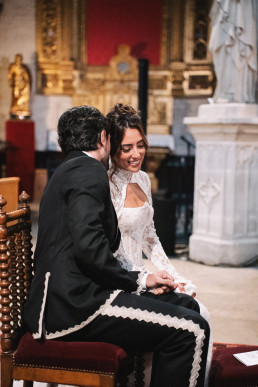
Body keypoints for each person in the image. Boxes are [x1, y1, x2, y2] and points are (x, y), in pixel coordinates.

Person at [23, 105, 210, 387]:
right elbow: (90, 248)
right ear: (103, 138)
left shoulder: (68, 169)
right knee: (192, 329)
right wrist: (140, 279)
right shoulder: (89, 171)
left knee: (187, 306)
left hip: (74, 296)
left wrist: (144, 281)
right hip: (75, 306)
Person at [107, 103, 213, 385]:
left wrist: (174, 277)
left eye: (140, 145)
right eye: (126, 148)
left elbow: (150, 237)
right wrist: (145, 280)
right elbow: (108, 249)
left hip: (145, 278)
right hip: (122, 284)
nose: (136, 154)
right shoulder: (105, 184)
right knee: (194, 320)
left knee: (199, 308)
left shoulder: (143, 178)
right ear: (111, 148)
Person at [209, 0, 257, 103]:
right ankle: (225, 91)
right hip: (224, 11)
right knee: (220, 48)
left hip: (244, 10)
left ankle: (240, 93)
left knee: (241, 48)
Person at [8, 53, 31, 118]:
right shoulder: (13, 67)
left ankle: (23, 109)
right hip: (16, 86)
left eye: (19, 59)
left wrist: (26, 85)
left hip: (22, 85)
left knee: (23, 99)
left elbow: (27, 78)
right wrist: (11, 82)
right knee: (15, 98)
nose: (18, 61)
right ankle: (16, 109)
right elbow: (10, 76)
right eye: (17, 59)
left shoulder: (23, 68)